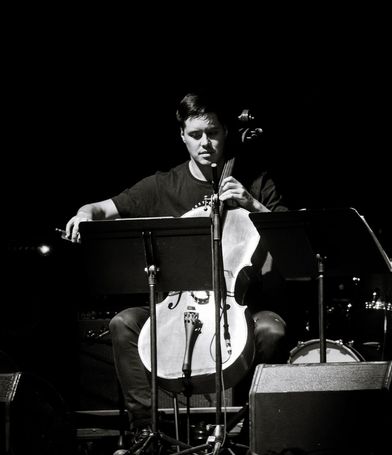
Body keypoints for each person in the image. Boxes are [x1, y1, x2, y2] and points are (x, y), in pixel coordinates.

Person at [63, 90, 290, 448]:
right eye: (196, 134)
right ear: (182, 136)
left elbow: (290, 238)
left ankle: (251, 426)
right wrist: (83, 213)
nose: (206, 143)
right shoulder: (162, 185)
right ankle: (147, 428)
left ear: (226, 132)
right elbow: (102, 209)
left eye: (213, 132)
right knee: (124, 324)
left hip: (237, 302)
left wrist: (252, 203)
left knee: (272, 331)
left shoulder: (256, 180)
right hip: (176, 304)